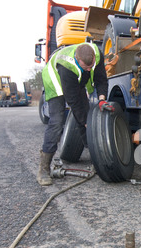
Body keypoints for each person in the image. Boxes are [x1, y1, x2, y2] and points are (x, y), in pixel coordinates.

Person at [37, 43, 109, 186]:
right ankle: (43, 169)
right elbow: (73, 102)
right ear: (77, 59)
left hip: (77, 81)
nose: (89, 69)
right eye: (86, 67)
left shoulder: (97, 54)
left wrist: (102, 100)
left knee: (86, 114)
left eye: (91, 66)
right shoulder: (66, 67)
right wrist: (85, 121)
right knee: (57, 122)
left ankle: (95, 158)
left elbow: (101, 79)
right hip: (55, 81)